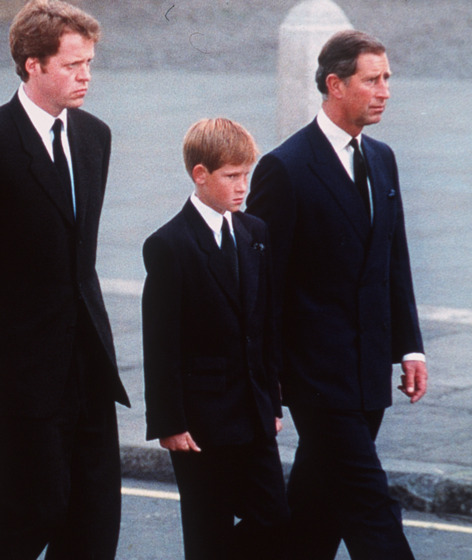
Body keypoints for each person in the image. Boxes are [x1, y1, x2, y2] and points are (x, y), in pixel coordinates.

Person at [0, 1, 129, 557]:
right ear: (31, 65)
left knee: (94, 525)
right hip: (16, 374)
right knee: (29, 513)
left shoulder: (95, 137)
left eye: (89, 62)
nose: (85, 75)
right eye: (72, 65)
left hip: (87, 362)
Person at [246, 30, 427, 560]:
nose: (385, 90)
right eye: (372, 80)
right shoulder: (286, 167)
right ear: (335, 84)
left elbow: (393, 258)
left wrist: (409, 346)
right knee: (370, 504)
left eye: (387, 78)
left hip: (369, 369)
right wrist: (267, 376)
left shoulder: (383, 158)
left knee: (315, 511)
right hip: (316, 378)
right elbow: (264, 284)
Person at [143, 118, 289, 560]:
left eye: (246, 175)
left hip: (252, 413)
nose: (242, 186)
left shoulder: (254, 233)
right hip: (200, 422)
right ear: (200, 174)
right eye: (231, 176)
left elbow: (264, 325)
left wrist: (272, 400)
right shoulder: (170, 244)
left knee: (276, 521)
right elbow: (161, 341)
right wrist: (169, 422)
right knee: (207, 532)